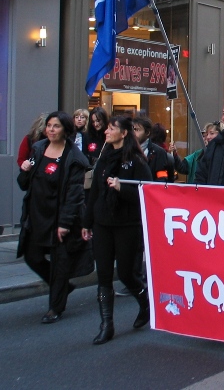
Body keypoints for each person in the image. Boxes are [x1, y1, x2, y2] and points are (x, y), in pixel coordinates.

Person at [82, 115, 153, 345]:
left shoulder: (137, 162)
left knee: (125, 273)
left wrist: (122, 188)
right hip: (103, 223)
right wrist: (87, 221)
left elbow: (146, 195)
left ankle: (145, 303)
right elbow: (93, 193)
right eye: (107, 128)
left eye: (112, 129)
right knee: (103, 274)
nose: (106, 132)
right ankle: (106, 324)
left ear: (124, 133)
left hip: (126, 224)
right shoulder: (103, 159)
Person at [17, 111, 92, 323]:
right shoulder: (39, 149)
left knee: (60, 264)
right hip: (37, 215)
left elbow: (75, 194)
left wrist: (65, 223)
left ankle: (55, 307)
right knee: (32, 256)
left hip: (59, 218)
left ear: (66, 130)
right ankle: (63, 287)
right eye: (49, 126)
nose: (51, 130)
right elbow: (24, 183)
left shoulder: (74, 158)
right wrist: (25, 170)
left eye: (56, 126)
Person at [132, 116, 175, 182]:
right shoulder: (127, 150)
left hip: (149, 189)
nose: (133, 133)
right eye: (133, 130)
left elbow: (161, 179)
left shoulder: (159, 152)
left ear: (147, 133)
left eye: (137, 130)